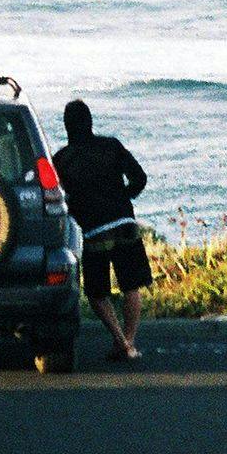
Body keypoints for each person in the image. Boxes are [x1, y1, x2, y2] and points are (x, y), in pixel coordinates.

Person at [51, 99, 150, 362]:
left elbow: (59, 198)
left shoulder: (61, 159)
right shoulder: (112, 146)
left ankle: (120, 341)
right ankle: (129, 341)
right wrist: (123, 199)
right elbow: (140, 178)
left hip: (95, 230)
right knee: (132, 285)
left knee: (96, 293)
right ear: (91, 121)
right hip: (124, 223)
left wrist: (80, 211)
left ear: (66, 126)